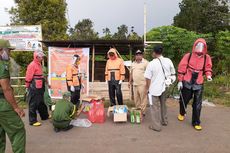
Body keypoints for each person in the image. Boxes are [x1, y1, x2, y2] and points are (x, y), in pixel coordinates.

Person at [177, 38, 212, 131]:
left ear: (205, 47)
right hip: (187, 80)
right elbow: (181, 68)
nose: (200, 48)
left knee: (197, 104)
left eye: (202, 46)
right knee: (184, 99)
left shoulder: (206, 57)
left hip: (199, 82)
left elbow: (208, 68)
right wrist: (180, 80)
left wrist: (208, 75)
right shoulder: (188, 56)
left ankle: (196, 122)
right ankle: (181, 112)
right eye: (198, 45)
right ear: (194, 45)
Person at [0, 39, 26, 153]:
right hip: (3, 104)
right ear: (1, 51)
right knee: (18, 131)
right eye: (8, 50)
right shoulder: (2, 65)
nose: (10, 53)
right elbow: (6, 88)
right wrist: (16, 107)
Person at [144, 45, 176, 132]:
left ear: (154, 53)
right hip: (165, 87)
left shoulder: (151, 64)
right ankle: (164, 121)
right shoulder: (168, 61)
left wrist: (147, 88)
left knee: (154, 107)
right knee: (163, 104)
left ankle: (156, 126)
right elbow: (173, 73)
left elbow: (148, 78)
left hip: (154, 89)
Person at [25, 50, 49, 126]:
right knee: (33, 103)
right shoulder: (32, 65)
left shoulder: (38, 64)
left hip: (40, 85)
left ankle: (45, 116)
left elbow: (41, 75)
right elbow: (28, 77)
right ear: (37, 57)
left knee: (41, 101)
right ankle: (32, 121)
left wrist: (46, 82)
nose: (42, 58)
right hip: (34, 86)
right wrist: (27, 86)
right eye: (41, 57)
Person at [129, 50, 149, 116]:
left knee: (143, 98)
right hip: (135, 84)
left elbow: (149, 74)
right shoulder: (133, 63)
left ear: (142, 55)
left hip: (143, 84)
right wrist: (129, 82)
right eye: (137, 55)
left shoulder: (146, 63)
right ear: (135, 56)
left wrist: (148, 84)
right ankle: (138, 110)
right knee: (136, 98)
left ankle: (143, 111)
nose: (138, 56)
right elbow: (131, 73)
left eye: (139, 54)